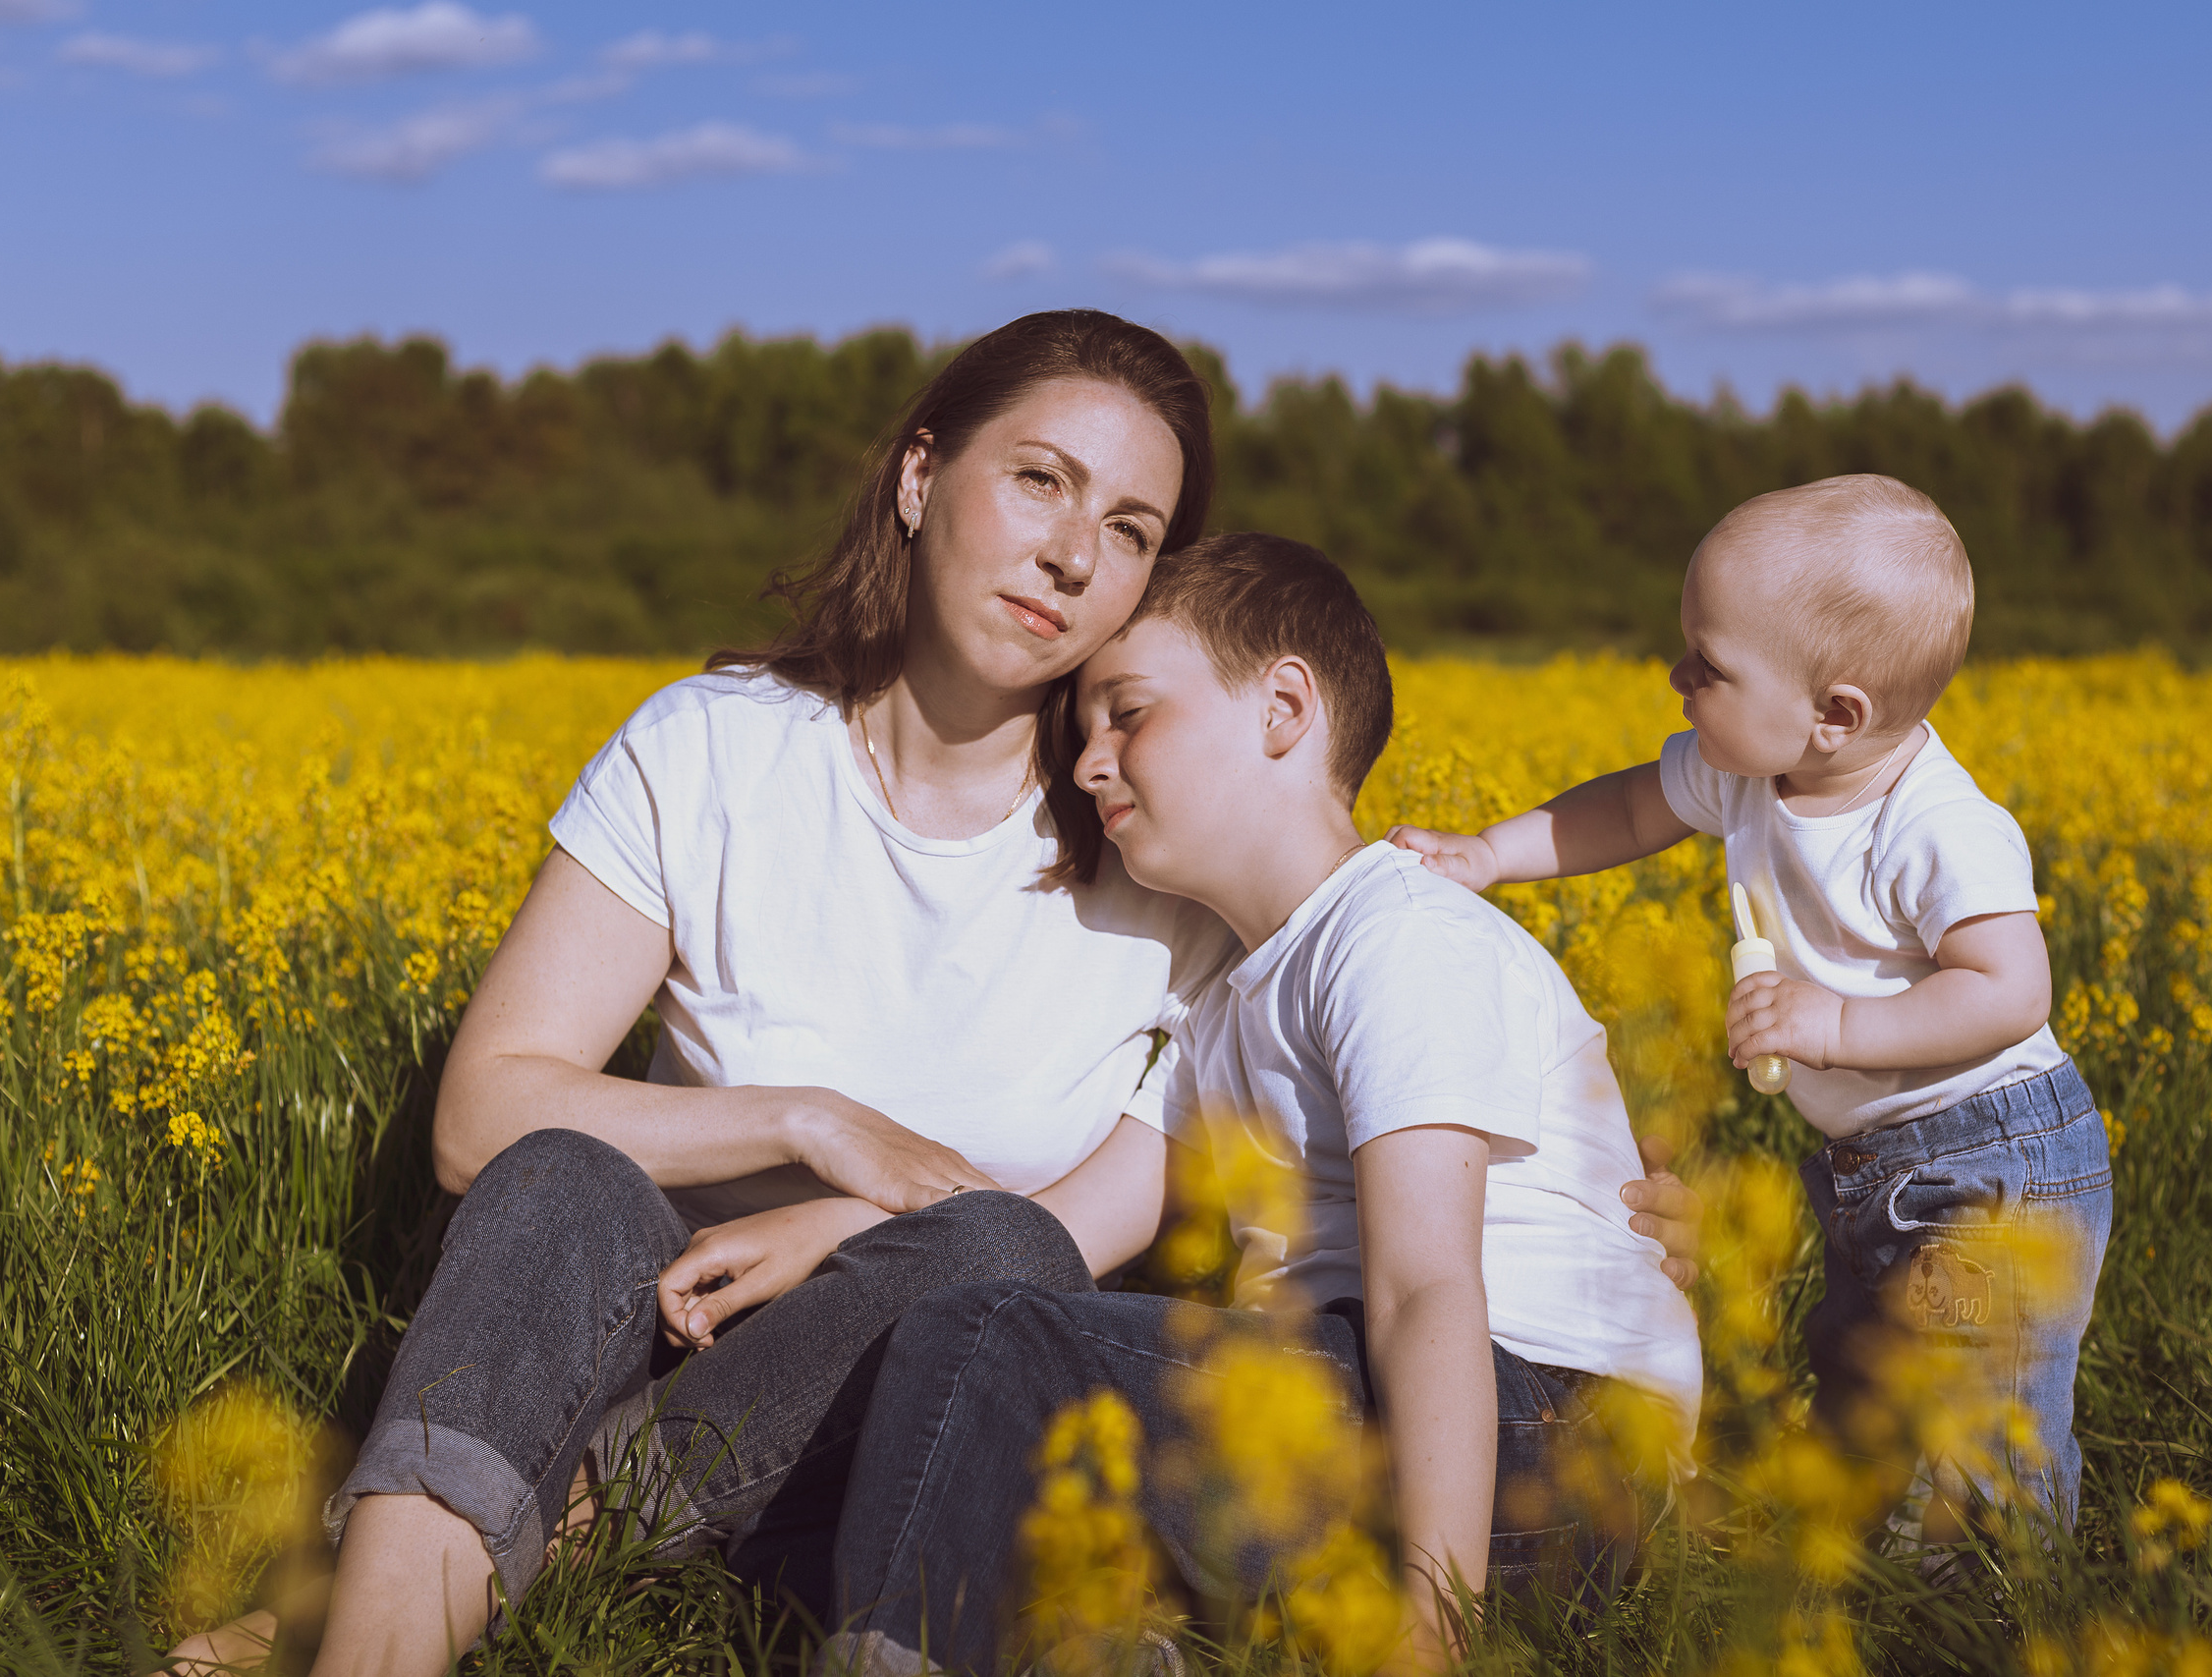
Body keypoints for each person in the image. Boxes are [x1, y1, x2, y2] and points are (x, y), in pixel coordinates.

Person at [165, 312, 1707, 1677]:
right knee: (562, 1173)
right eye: (1039, 478)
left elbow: (1195, 1183)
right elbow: (479, 1116)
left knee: (990, 1245)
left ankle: (465, 1564)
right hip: (652, 1335)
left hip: (871, 1418)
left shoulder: (1168, 857)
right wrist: (814, 1126)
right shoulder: (712, 748)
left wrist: (1604, 1204)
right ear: (920, 479)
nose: (1071, 551)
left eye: (1129, 525)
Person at [819, 533, 1702, 1677]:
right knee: (992, 1377)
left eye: (1126, 714)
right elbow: (1051, 1232)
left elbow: (1427, 1285)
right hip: (1385, 1420)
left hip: (1539, 1436)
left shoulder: (1398, 935)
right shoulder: (1225, 1009)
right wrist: (824, 1227)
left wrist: (1435, 1628)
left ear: (1284, 707)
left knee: (987, 1341)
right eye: (1084, 732)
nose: (1088, 766)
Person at [1390, 475, 2109, 1554]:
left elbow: (2011, 991)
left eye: (1708, 664)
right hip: (1877, 1161)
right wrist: (1489, 854)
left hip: (1994, 1159)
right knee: (1862, 1377)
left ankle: (2001, 1606)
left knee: (1975, 1409)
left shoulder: (1936, 826)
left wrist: (1837, 1028)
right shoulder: (1747, 773)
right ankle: (1860, 1564)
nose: (1675, 675)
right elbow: (1629, 806)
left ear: (1835, 713)